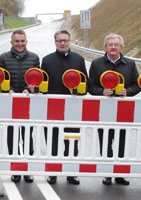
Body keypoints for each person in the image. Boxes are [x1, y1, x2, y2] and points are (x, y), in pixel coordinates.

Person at [88, 33, 141, 186]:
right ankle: (107, 173)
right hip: (103, 110)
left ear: (121, 47)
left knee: (121, 142)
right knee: (105, 142)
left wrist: (128, 92)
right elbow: (90, 86)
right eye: (110, 44)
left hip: (123, 111)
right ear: (105, 47)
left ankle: (119, 174)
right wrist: (101, 92)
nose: (113, 47)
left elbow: (137, 84)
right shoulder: (97, 64)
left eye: (116, 45)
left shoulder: (130, 64)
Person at [41, 30, 88, 185]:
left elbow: (85, 84)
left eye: (65, 40)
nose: (62, 43)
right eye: (59, 40)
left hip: (73, 108)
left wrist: (79, 91)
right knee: (53, 141)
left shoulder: (79, 60)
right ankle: (53, 172)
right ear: (55, 42)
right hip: (52, 108)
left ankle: (71, 173)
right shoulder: (47, 60)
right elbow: (43, 84)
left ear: (70, 41)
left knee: (72, 141)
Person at [0, 29, 40, 183]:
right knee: (12, 137)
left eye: (22, 41)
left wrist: (29, 88)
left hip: (27, 104)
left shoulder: (34, 58)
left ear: (26, 42)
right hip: (9, 104)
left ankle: (27, 170)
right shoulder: (3, 58)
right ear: (11, 42)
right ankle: (16, 170)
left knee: (28, 136)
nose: (20, 44)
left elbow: (36, 78)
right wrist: (6, 89)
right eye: (17, 41)